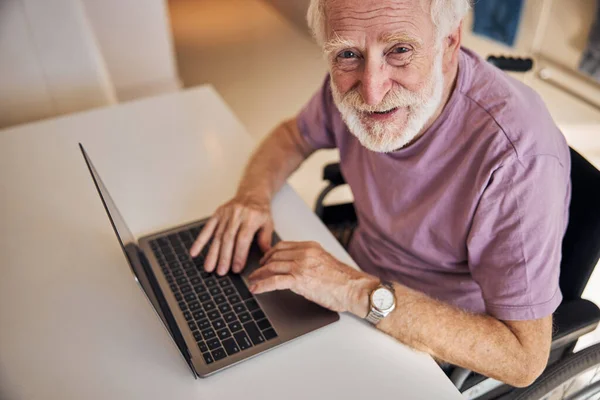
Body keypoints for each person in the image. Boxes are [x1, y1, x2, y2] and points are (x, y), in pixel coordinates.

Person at [189, 0, 570, 387]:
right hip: (350, 274)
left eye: (400, 50)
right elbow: (293, 135)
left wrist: (353, 290)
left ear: (449, 42)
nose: (371, 93)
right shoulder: (350, 83)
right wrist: (252, 196)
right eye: (348, 54)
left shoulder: (517, 158)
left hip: (434, 339)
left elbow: (523, 358)